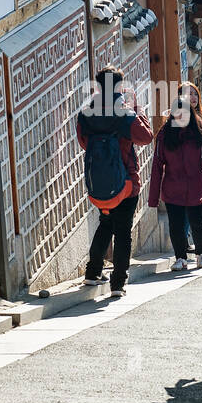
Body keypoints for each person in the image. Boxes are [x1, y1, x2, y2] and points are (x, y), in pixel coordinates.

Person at [77, 65, 154, 297]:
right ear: (120, 86)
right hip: (126, 183)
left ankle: (92, 273)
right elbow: (146, 137)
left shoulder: (86, 113)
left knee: (105, 223)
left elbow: (84, 142)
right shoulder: (125, 113)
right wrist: (138, 112)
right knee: (122, 231)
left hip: (98, 183)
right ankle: (118, 283)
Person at [149, 88, 202, 271]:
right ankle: (180, 258)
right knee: (176, 225)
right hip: (173, 189)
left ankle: (201, 254)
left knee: (198, 223)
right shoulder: (165, 135)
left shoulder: (200, 132)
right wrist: (153, 197)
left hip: (197, 187)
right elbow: (157, 166)